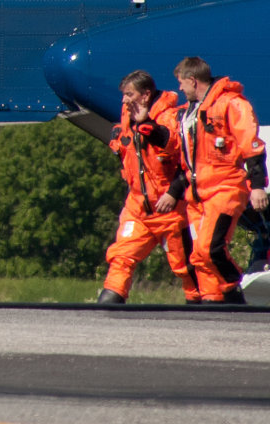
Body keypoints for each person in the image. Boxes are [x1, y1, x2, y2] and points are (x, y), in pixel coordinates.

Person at [96, 70, 198, 304]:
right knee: (121, 257)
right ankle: (109, 303)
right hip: (138, 207)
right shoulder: (126, 118)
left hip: (170, 209)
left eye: (129, 95)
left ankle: (200, 306)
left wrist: (173, 193)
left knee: (185, 266)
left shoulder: (171, 118)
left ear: (145, 95)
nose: (124, 100)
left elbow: (179, 153)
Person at [174, 56, 269, 304]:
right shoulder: (188, 113)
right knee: (198, 256)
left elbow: (252, 146)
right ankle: (212, 302)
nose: (179, 89)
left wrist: (258, 186)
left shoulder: (231, 104)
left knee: (210, 249)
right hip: (197, 193)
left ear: (193, 81)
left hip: (225, 187)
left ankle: (232, 291)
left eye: (181, 83)